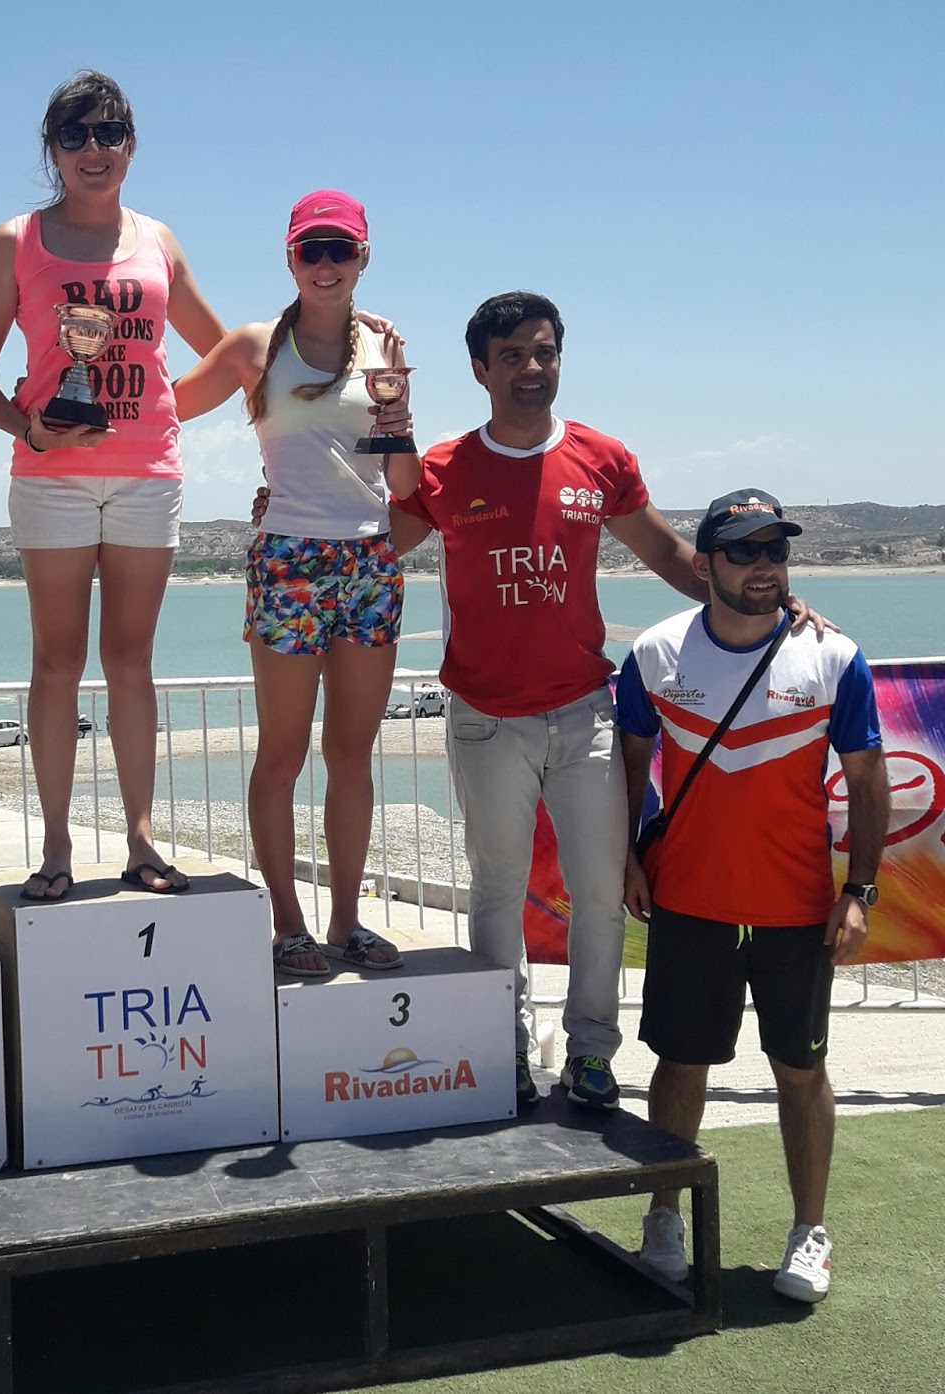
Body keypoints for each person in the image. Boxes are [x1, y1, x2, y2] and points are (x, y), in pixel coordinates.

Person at [370, 291, 828, 1110]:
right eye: (512, 355)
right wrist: (289, 520)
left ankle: (589, 1054)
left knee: (599, 893)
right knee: (498, 892)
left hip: (585, 713)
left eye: (545, 352)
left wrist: (765, 597)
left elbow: (670, 554)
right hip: (484, 720)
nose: (532, 368)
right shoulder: (445, 468)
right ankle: (503, 1050)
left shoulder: (601, 458)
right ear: (479, 370)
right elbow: (375, 550)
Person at [0, 70, 226, 902]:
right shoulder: (16, 241)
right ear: (52, 149)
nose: (93, 149)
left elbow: (225, 352)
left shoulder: (158, 240)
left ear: (131, 145)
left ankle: (142, 839)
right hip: (52, 480)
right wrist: (28, 428)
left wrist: (166, 411)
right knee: (56, 663)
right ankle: (56, 844)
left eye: (108, 132)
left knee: (132, 663)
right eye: (73, 135)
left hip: (147, 477)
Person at [617, 490, 887, 1302]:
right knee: (681, 1063)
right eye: (743, 550)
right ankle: (663, 1216)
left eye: (776, 549)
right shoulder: (654, 654)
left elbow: (868, 783)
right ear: (705, 565)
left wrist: (859, 890)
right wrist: (627, 855)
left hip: (796, 909)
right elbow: (629, 766)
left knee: (801, 1071)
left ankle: (809, 1233)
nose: (764, 566)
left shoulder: (833, 656)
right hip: (689, 900)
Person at [174, 191, 419, 975]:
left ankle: (347, 922)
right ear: (289, 258)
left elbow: (404, 485)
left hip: (370, 561)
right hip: (289, 561)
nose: (325, 264)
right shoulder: (255, 346)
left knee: (351, 755)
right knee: (282, 753)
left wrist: (400, 421)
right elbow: (164, 408)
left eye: (339, 249)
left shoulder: (384, 348)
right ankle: (287, 922)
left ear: (363, 257)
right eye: (311, 250)